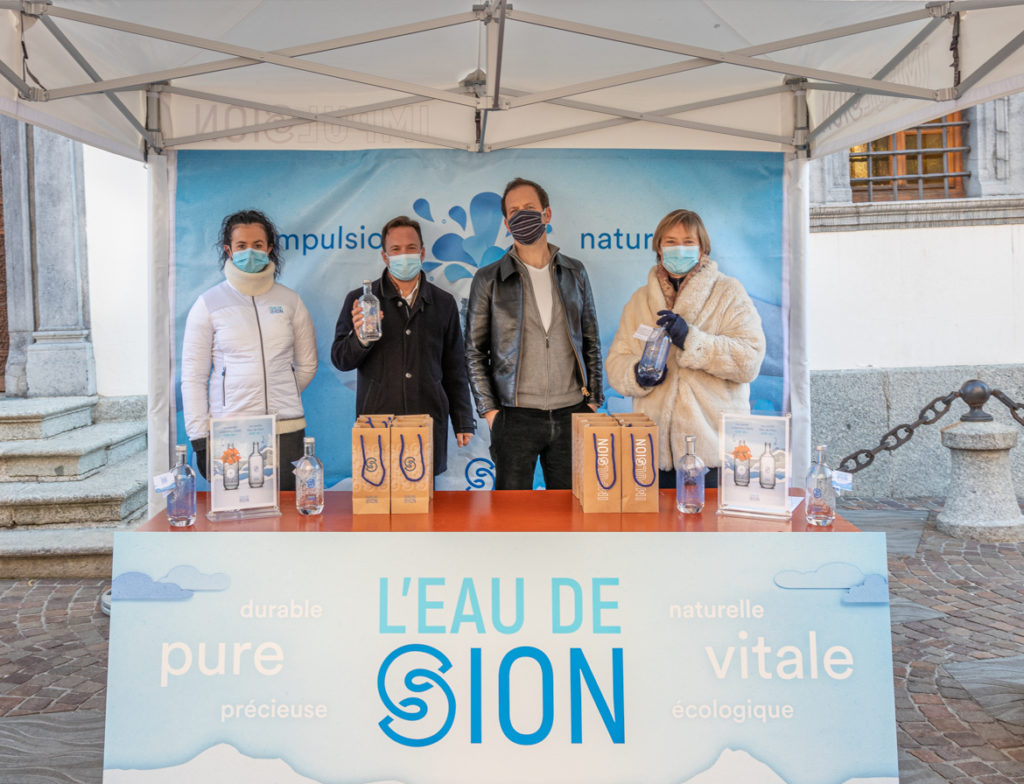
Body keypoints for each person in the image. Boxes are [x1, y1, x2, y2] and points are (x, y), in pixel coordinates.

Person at [605, 209, 765, 488]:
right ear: (658, 248)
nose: (679, 249)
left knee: (710, 531)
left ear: (703, 248)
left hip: (713, 455)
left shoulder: (729, 292)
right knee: (656, 532)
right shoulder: (639, 300)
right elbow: (616, 363)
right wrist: (636, 374)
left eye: (688, 242)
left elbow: (749, 359)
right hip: (651, 455)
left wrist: (692, 340)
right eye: (670, 241)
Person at [465, 177, 603, 490]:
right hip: (514, 417)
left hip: (572, 412)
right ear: (506, 223)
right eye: (514, 211)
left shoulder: (574, 271)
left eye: (530, 208)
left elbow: (591, 340)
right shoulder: (489, 279)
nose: (522, 216)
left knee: (570, 512)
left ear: (547, 214)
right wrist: (490, 413)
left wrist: (592, 401)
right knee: (511, 518)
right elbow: (474, 351)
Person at [181, 209, 318, 492]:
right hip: (232, 432)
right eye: (242, 246)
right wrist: (200, 439)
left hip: (287, 430)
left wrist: (280, 391)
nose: (250, 252)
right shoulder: (208, 303)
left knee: (289, 519)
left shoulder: (290, 301)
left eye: (257, 245)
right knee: (237, 521)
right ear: (229, 251)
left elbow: (307, 365)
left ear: (269, 249)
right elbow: (193, 377)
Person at [331, 215, 475, 475]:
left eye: (410, 248)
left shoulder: (443, 303)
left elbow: (455, 367)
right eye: (395, 250)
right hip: (378, 422)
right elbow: (341, 360)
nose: (403, 255)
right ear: (385, 257)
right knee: (378, 504)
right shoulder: (360, 301)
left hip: (427, 419)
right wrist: (361, 336)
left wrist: (463, 420)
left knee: (422, 507)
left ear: (422, 252)